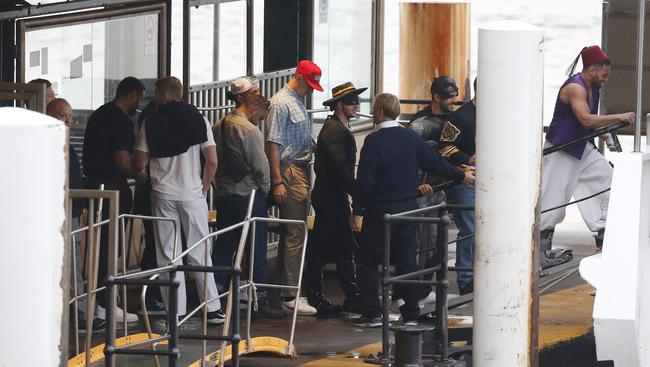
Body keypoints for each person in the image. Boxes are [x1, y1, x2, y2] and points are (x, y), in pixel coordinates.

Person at [351, 93, 474, 327]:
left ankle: (372, 313)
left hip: (381, 210)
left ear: (378, 112)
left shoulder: (374, 141)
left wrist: (358, 210)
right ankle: (410, 312)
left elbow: (365, 180)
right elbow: (434, 162)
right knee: (407, 260)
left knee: (367, 260)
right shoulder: (409, 137)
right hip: (409, 208)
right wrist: (461, 176)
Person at [133, 76, 224, 323]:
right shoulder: (199, 120)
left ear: (162, 96)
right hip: (193, 194)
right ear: (180, 94)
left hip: (163, 195)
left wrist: (148, 176)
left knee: (168, 254)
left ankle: (176, 311)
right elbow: (213, 161)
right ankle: (212, 309)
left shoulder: (150, 123)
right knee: (200, 250)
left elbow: (139, 162)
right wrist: (203, 188)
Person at [540, 45, 635, 257]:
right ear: (592, 69)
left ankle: (606, 238)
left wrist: (604, 132)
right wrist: (618, 117)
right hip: (562, 148)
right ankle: (541, 253)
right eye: (604, 74)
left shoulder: (594, 88)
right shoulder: (576, 87)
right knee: (553, 198)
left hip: (583, 146)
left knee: (607, 181)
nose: (606, 79)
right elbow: (585, 118)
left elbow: (590, 122)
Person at [212, 77, 284, 319]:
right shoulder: (248, 130)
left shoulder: (218, 125)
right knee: (256, 247)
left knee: (224, 246)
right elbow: (260, 168)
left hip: (223, 195)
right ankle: (259, 297)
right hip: (248, 197)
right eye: (260, 117)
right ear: (250, 104)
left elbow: (211, 161)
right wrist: (268, 191)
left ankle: (215, 295)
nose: (259, 121)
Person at [82, 76, 146, 323]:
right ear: (131, 95)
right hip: (112, 189)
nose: (138, 104)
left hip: (93, 187)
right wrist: (141, 175)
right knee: (112, 247)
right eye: (138, 99)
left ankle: (100, 301)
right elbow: (122, 160)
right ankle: (106, 304)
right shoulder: (121, 122)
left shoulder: (99, 114)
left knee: (100, 246)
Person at [265, 60, 323, 315]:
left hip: (298, 169)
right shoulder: (281, 103)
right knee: (295, 233)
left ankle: (280, 291)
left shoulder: (295, 100)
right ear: (298, 77)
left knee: (294, 232)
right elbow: (272, 144)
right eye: (308, 85)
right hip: (289, 171)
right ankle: (289, 293)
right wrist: (277, 180)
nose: (310, 91)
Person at [303, 82, 365, 316]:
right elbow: (341, 170)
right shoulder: (335, 132)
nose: (356, 105)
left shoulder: (334, 129)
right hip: (331, 196)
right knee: (341, 246)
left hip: (329, 194)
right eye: (351, 101)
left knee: (329, 246)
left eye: (357, 100)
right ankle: (348, 296)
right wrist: (358, 192)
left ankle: (321, 295)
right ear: (339, 104)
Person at [48, 98, 105, 332]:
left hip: (69, 209)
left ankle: (79, 313)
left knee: (73, 262)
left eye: (70, 116)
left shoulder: (65, 144)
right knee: (71, 262)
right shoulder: (51, 144)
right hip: (60, 211)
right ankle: (81, 316)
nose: (69, 120)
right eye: (64, 116)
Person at [437, 77, 477, 295]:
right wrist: (467, 158)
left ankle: (478, 274)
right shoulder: (460, 118)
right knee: (469, 229)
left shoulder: (499, 114)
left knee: (482, 229)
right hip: (464, 181)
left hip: (490, 181)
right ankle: (466, 279)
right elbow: (443, 148)